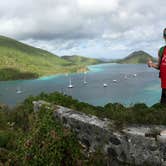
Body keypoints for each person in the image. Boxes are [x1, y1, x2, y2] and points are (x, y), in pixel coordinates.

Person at [147, 28, 166, 104]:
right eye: (165, 35)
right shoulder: (162, 50)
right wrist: (151, 64)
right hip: (164, 88)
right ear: (164, 37)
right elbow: (159, 66)